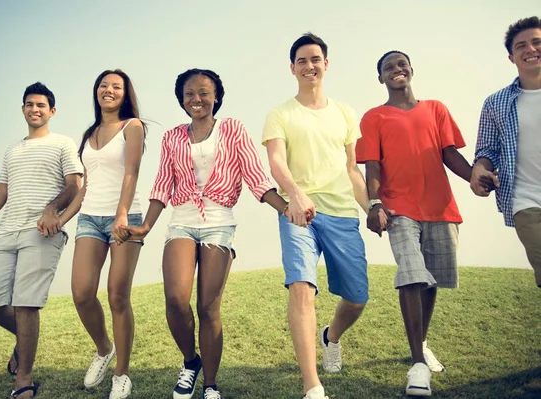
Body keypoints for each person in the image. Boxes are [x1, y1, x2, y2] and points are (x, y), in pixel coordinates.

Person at [115, 68, 288, 399]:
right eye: (190, 93)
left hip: (219, 221)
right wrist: (146, 226)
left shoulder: (233, 129)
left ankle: (210, 384)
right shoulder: (173, 137)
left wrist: (286, 208)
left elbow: (254, 174)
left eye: (204, 92)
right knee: (176, 300)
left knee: (208, 306)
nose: (197, 99)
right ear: (182, 99)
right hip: (181, 219)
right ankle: (190, 361)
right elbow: (163, 183)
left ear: (216, 96)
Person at [356, 50, 495, 396]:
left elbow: (449, 153)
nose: (396, 70)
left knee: (430, 282)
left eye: (401, 64)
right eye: (388, 68)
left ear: (411, 70)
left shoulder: (436, 109)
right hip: (398, 208)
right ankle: (418, 364)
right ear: (381, 78)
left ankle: (420, 342)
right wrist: (375, 204)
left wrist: (474, 178)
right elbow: (371, 165)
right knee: (411, 275)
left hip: (440, 208)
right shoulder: (374, 117)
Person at [262, 33, 371, 399]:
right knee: (302, 290)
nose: (310, 66)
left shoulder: (344, 113)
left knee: (356, 298)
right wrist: (294, 195)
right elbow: (276, 161)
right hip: (298, 214)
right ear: (292, 68)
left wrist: (369, 207)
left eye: (316, 59)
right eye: (303, 61)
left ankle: (331, 336)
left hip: (342, 214)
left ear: (326, 64)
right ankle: (313, 385)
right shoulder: (280, 114)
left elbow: (353, 169)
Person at [0, 82, 83, 398]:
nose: (35, 109)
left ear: (52, 111)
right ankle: (25, 341)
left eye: (41, 105)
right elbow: (1, 192)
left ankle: (24, 378)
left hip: (41, 232)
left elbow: (73, 186)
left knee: (26, 303)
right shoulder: (11, 149)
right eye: (30, 104)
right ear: (23, 109)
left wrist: (52, 209)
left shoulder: (62, 143)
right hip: (8, 230)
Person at [58, 69, 147, 399]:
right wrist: (64, 217)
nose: (109, 90)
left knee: (117, 295)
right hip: (90, 220)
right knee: (81, 292)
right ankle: (104, 348)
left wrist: (122, 213)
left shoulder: (133, 127)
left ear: (125, 94)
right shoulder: (90, 132)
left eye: (117, 87)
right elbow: (87, 186)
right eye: (104, 85)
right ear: (96, 91)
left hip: (124, 217)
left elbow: (132, 172)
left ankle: (122, 374)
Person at [471, 16, 541, 287]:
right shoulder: (496, 102)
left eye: (537, 42)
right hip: (526, 201)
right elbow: (487, 149)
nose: (530, 50)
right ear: (511, 57)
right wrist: (479, 168)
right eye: (521, 46)